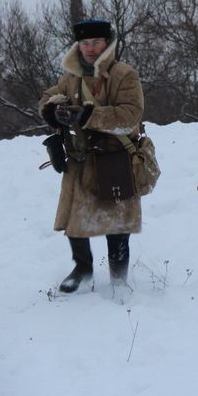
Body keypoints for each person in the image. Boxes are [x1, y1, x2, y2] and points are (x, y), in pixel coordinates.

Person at [39, 19, 144, 292]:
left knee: (117, 223)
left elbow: (130, 116)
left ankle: (119, 277)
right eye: (85, 43)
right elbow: (49, 96)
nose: (89, 49)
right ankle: (82, 268)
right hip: (81, 158)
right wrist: (54, 110)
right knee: (75, 220)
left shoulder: (124, 74)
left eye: (96, 43)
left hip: (115, 157)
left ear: (106, 43)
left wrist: (87, 115)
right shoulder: (71, 76)